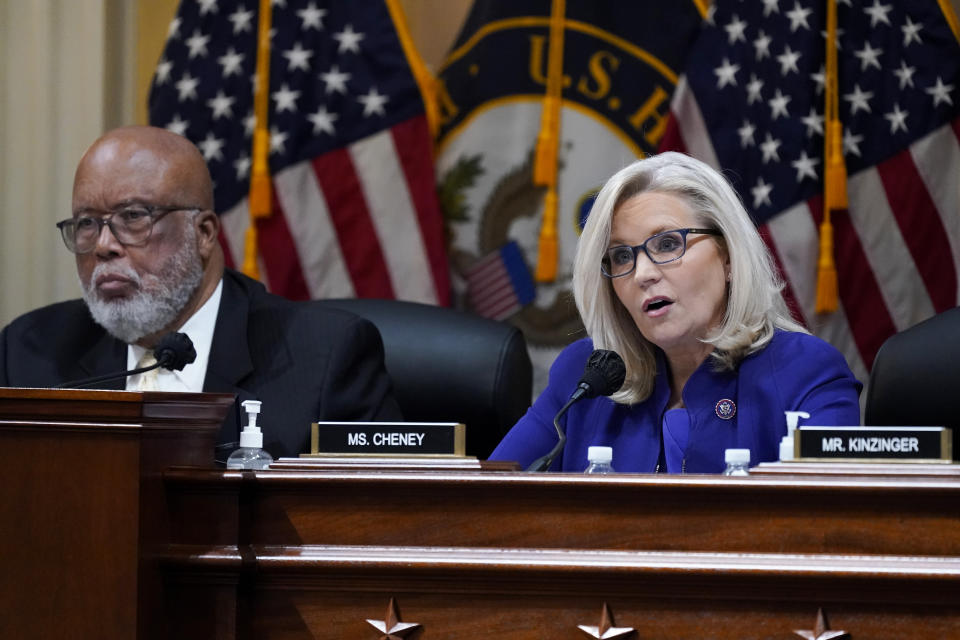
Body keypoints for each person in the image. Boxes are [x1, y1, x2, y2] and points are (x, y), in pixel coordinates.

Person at [0, 126, 401, 460]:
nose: (104, 243)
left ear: (204, 233)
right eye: (87, 222)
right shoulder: (29, 354)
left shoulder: (325, 357)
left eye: (133, 217)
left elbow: (376, 524)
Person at [490, 152, 862, 473]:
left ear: (729, 256)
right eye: (622, 255)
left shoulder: (805, 372)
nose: (643, 274)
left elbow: (833, 530)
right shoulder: (584, 378)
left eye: (668, 244)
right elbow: (483, 504)